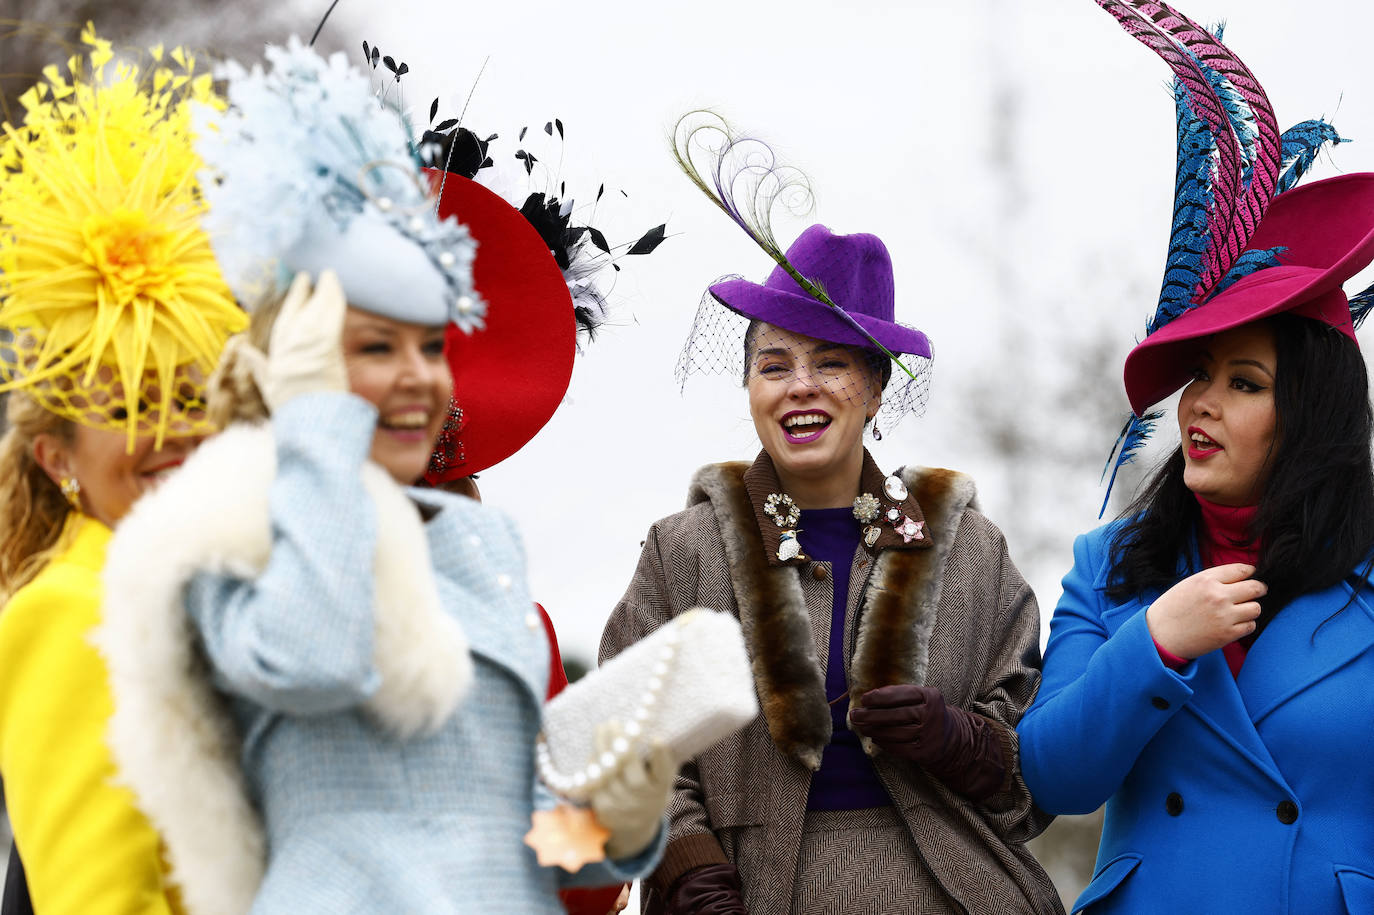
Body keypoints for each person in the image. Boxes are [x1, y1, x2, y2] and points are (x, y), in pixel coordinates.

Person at [93, 39, 670, 914]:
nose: (422, 376)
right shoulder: (227, 549)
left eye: (432, 347)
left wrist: (618, 824)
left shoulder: (498, 586)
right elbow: (311, 659)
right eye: (375, 346)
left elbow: (549, 861)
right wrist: (318, 431)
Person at [599, 114, 1061, 915]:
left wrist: (959, 736)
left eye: (831, 363)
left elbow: (1040, 765)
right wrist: (690, 866)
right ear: (748, 388)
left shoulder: (971, 551)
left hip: (952, 891)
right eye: (773, 364)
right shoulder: (686, 553)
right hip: (750, 895)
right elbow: (625, 740)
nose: (799, 385)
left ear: (877, 389)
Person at [1015, 4, 1374, 912]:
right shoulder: (1113, 566)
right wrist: (1156, 643)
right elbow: (1052, 775)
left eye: (1243, 382)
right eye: (1199, 374)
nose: (1200, 405)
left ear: (1312, 413)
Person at [0, 29, 247, 914]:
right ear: (55, 457)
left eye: (186, 395)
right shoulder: (65, 612)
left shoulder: (206, 600)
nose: (169, 431)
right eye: (123, 406)